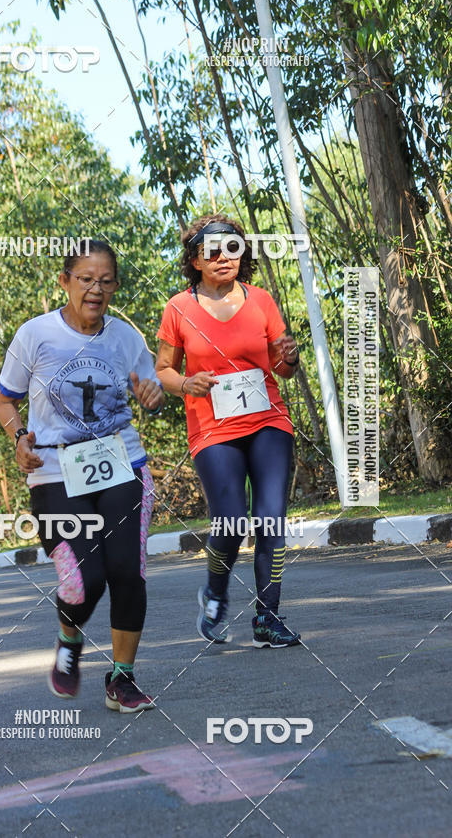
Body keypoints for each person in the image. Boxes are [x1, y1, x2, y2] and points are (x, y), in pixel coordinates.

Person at [0, 239, 163, 712]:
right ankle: (70, 637)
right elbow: (6, 400)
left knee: (128, 570)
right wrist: (18, 437)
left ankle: (122, 679)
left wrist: (152, 396)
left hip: (120, 462)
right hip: (54, 470)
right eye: (86, 279)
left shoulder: (127, 339)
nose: (96, 289)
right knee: (83, 581)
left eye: (106, 281)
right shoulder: (36, 335)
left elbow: (150, 390)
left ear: (115, 287)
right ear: (64, 282)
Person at [155, 215, 301, 648]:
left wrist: (288, 358)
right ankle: (215, 594)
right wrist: (185, 384)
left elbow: (284, 370)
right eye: (213, 251)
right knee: (233, 520)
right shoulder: (179, 308)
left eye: (233, 249)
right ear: (195, 259)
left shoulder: (261, 301)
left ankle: (267, 618)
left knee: (271, 518)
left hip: (268, 419)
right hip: (212, 428)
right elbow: (163, 369)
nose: (224, 258)